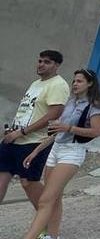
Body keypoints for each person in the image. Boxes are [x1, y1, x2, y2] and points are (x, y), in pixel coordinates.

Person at [0, 68, 100, 239]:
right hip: (56, 149)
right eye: (74, 81)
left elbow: (96, 131)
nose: (74, 84)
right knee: (55, 198)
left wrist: (69, 129)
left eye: (80, 81)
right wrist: (36, 151)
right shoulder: (70, 103)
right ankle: (52, 238)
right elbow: (55, 133)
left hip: (73, 152)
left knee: (46, 199)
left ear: (90, 84)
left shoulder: (94, 106)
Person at [0, 50, 70, 207]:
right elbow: (28, 111)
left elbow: (54, 114)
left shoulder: (58, 85)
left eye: (47, 62)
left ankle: (46, 221)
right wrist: (13, 130)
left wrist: (22, 132)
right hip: (14, 139)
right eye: (40, 61)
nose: (41, 65)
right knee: (1, 176)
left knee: (28, 182)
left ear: (57, 65)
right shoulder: (35, 84)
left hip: (35, 141)